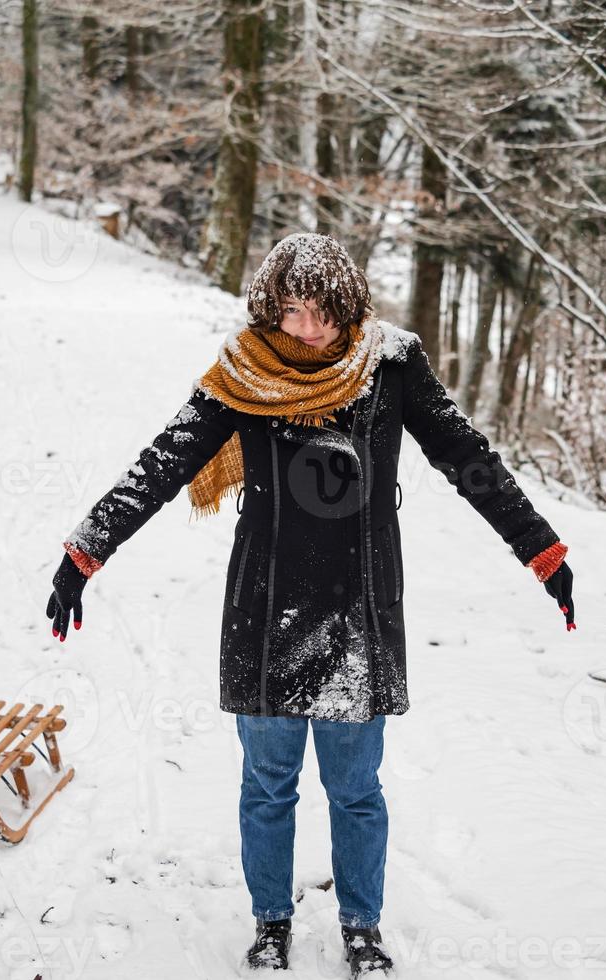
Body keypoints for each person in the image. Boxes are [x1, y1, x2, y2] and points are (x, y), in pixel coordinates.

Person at [46, 232, 575, 976]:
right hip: (267, 611)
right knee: (268, 784)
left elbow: (467, 456)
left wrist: (540, 548)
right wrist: (84, 552)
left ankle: (362, 926)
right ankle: (271, 924)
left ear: (349, 306)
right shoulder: (242, 374)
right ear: (271, 309)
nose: (307, 329)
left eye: (323, 312)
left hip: (359, 608)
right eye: (292, 311)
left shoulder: (391, 363)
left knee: (356, 787)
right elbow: (163, 463)